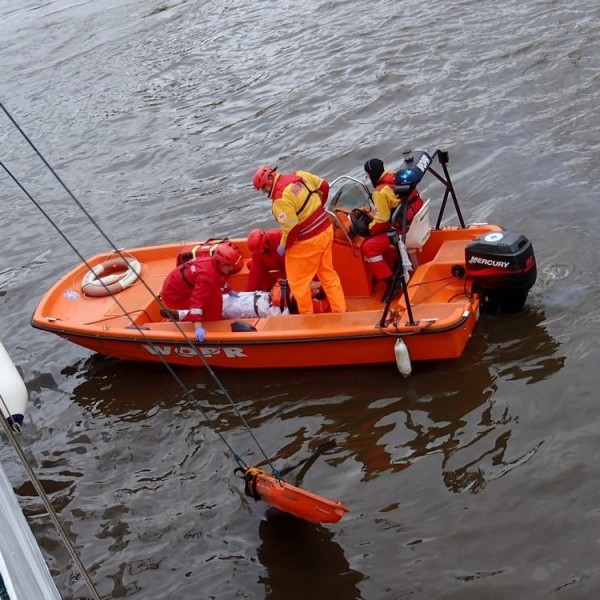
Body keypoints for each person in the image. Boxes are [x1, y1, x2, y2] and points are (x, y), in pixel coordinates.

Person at [252, 165, 346, 314]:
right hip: (326, 230)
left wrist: (284, 246)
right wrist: (319, 207)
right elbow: (324, 185)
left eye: (264, 187)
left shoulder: (280, 199)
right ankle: (341, 311)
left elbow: (291, 229)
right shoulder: (300, 175)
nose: (264, 191)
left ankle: (308, 319)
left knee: (298, 284)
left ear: (270, 178)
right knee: (328, 274)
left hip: (308, 241)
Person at [360, 158, 423, 302]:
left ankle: (390, 282)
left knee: (369, 246)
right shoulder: (398, 177)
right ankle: (397, 264)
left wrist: (369, 229)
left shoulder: (380, 192)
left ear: (370, 175)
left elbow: (382, 219)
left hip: (402, 231)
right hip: (415, 222)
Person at [160, 241, 243, 342]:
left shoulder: (213, 265)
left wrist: (228, 290)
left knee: (215, 298)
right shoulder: (206, 277)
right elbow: (196, 303)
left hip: (177, 286)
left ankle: (180, 315)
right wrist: (198, 327)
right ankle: (209, 326)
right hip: (174, 296)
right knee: (210, 304)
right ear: (221, 262)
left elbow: (219, 278)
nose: (231, 269)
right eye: (229, 266)